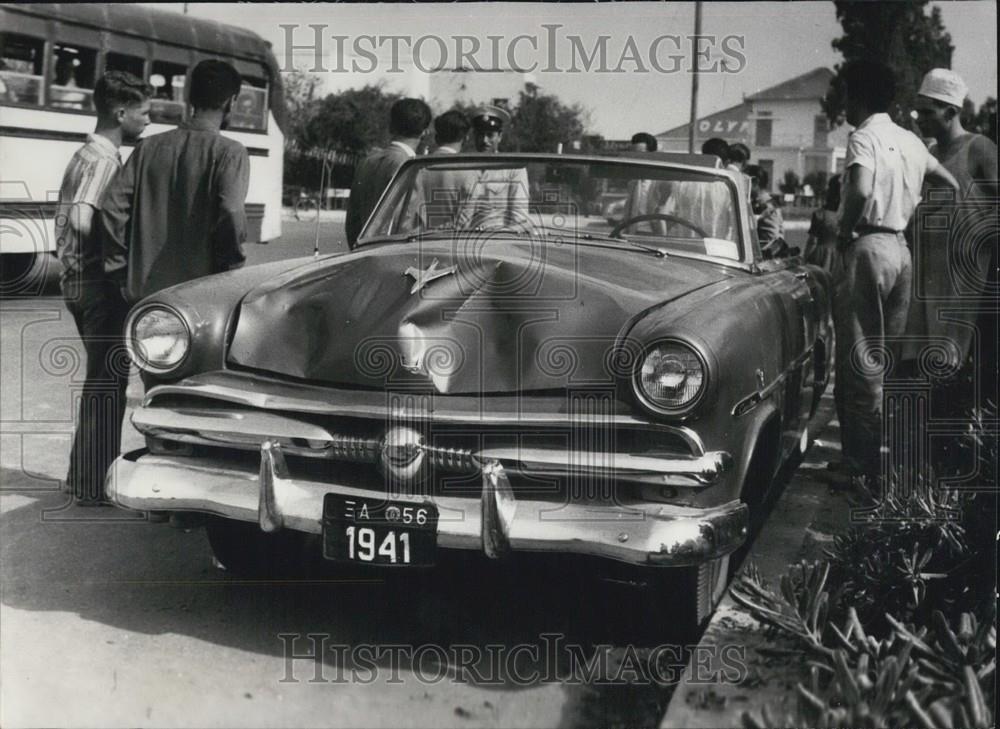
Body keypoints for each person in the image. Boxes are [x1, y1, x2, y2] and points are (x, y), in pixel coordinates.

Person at [831, 60, 960, 480]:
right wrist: (915, 212)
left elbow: (861, 189)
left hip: (867, 245)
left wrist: (843, 231)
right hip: (901, 250)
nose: (844, 104)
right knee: (884, 361)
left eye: (847, 95)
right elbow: (949, 185)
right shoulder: (909, 140)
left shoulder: (864, 137)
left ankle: (858, 465)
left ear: (859, 97)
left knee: (860, 358)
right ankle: (877, 456)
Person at [56, 71, 151, 504]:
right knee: (107, 385)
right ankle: (92, 486)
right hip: (96, 284)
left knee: (102, 382)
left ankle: (84, 480)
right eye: (144, 113)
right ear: (121, 112)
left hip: (74, 281)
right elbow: (81, 216)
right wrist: (115, 257)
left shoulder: (82, 153)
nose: (147, 121)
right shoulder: (105, 161)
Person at [101, 59, 249, 305]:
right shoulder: (231, 152)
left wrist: (118, 269)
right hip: (200, 298)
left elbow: (112, 207)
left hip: (143, 297)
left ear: (190, 98)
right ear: (230, 101)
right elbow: (232, 212)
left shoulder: (146, 147)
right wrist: (233, 268)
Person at [903, 69, 998, 443]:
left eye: (926, 112)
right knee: (927, 370)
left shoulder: (980, 148)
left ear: (948, 110)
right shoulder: (930, 154)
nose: (920, 119)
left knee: (961, 373)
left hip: (966, 281)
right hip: (930, 279)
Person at [344, 98, 431, 247]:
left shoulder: (367, 161)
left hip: (364, 252)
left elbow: (352, 221)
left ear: (391, 126)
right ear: (425, 132)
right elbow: (407, 224)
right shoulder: (410, 166)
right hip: (393, 258)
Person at [458, 105, 530, 228]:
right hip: (463, 239)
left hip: (498, 240)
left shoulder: (513, 169)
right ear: (474, 135)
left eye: (490, 135)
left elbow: (519, 217)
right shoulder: (462, 167)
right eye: (480, 135)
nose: (484, 140)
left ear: (500, 136)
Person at [745, 164, 787, 257]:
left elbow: (771, 239)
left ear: (755, 182)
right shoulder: (756, 202)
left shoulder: (768, 206)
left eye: (745, 181)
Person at [804, 175, 841, 273]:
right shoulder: (849, 216)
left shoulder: (820, 214)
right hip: (841, 258)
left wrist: (804, 259)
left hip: (821, 257)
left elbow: (812, 241)